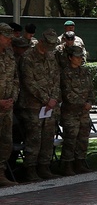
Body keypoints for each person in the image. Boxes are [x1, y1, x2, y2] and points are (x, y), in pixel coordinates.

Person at [19, 28, 61, 181]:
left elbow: (56, 78)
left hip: (50, 106)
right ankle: (30, 169)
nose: (50, 48)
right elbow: (29, 82)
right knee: (34, 138)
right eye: (48, 45)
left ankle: (44, 167)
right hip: (33, 105)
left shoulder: (50, 56)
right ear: (41, 42)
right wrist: (46, 99)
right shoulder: (28, 57)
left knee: (48, 137)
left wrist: (54, 98)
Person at [59, 46, 94, 175]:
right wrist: (82, 103)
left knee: (83, 138)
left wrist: (90, 102)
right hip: (71, 112)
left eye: (81, 57)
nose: (80, 59)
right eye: (77, 57)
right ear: (70, 58)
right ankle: (67, 164)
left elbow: (90, 90)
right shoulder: (65, 73)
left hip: (84, 112)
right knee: (70, 139)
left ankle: (80, 162)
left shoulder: (84, 72)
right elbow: (67, 93)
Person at [0, 23, 18, 186]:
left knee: (6, 141)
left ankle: (1, 173)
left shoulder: (9, 54)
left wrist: (12, 98)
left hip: (7, 107)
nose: (8, 40)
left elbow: (15, 79)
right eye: (6, 37)